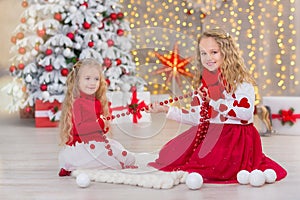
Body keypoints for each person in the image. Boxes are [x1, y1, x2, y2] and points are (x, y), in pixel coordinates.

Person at [147, 28, 287, 183]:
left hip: (235, 137)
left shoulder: (241, 83)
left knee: (216, 164)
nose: (208, 58)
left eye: (214, 52)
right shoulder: (203, 83)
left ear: (226, 53)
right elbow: (196, 119)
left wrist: (213, 101)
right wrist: (167, 109)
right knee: (171, 155)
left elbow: (245, 114)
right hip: (209, 132)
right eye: (203, 53)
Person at [58, 58, 136, 176]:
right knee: (111, 163)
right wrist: (99, 123)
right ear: (77, 80)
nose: (92, 83)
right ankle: (75, 164)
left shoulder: (97, 102)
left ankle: (117, 161)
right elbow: (79, 129)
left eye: (96, 79)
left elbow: (100, 129)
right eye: (87, 78)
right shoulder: (77, 103)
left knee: (124, 154)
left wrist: (104, 125)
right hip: (83, 146)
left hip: (98, 142)